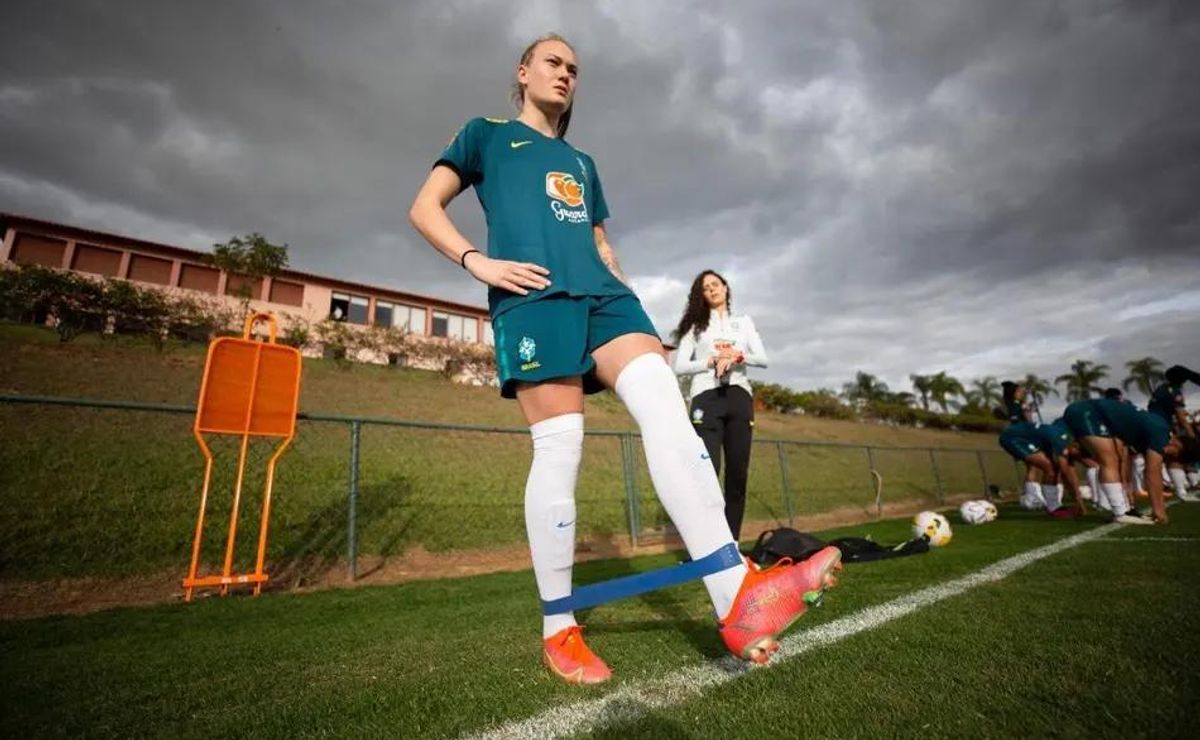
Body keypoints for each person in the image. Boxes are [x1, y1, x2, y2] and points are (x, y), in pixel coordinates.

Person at [408, 34, 840, 683]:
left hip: (607, 298)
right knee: (562, 447)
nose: (565, 74)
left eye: (574, 69)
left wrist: (611, 264)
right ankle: (559, 629)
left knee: (668, 412)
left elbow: (596, 232)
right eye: (553, 62)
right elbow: (423, 207)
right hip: (533, 294)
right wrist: (478, 262)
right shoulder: (485, 135)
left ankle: (735, 599)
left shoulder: (582, 161)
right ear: (523, 71)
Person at [672, 270, 768, 541]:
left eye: (716, 284)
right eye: (705, 287)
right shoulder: (696, 327)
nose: (712, 289)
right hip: (706, 398)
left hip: (738, 397)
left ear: (726, 287)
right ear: (700, 295)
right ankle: (707, 544)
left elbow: (762, 358)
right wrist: (710, 361)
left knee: (737, 474)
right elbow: (679, 366)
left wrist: (738, 356)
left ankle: (732, 544)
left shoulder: (744, 322)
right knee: (706, 474)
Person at [1062, 398, 1200, 524]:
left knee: (1115, 460)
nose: (1168, 457)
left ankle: (1124, 510)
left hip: (1094, 414)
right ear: (1178, 444)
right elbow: (1153, 474)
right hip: (1087, 411)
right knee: (1109, 460)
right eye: (1173, 455)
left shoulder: (1151, 435)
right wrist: (1159, 511)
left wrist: (1128, 495)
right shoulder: (1161, 433)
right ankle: (1120, 513)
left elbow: (1125, 463)